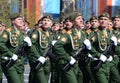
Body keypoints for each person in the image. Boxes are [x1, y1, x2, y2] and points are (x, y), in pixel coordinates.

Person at [53, 12, 91, 83]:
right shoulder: (68, 34)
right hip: (66, 63)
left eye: (81, 19)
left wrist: (88, 48)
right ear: (73, 21)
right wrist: (68, 58)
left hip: (76, 64)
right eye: (78, 19)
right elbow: (57, 46)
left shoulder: (82, 34)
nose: (81, 20)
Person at [0, 13, 31, 83]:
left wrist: (29, 45)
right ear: (13, 21)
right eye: (19, 19)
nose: (21, 21)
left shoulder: (23, 34)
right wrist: (11, 54)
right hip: (9, 62)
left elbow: (26, 51)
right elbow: (1, 44)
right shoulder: (8, 32)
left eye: (22, 20)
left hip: (20, 63)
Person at [89, 12, 116, 83]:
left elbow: (112, 48)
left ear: (108, 21)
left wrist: (111, 54)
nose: (103, 21)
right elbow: (89, 46)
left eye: (105, 19)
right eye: (101, 19)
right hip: (97, 63)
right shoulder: (94, 33)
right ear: (98, 21)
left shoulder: (110, 33)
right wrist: (99, 55)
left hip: (107, 64)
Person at [28, 15, 53, 83]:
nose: (46, 22)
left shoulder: (51, 33)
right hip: (39, 61)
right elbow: (31, 45)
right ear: (41, 22)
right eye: (44, 20)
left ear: (51, 23)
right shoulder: (37, 32)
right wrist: (38, 57)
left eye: (48, 21)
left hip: (47, 62)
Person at [109, 15, 120, 83]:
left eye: (118, 20)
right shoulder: (109, 32)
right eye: (114, 20)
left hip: (119, 59)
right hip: (112, 58)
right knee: (115, 78)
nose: (116, 22)